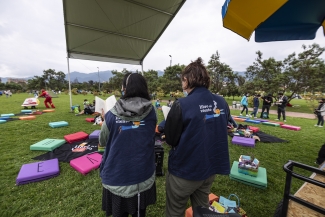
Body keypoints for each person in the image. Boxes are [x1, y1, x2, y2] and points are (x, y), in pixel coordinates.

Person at [164, 57, 231, 217]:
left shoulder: (181, 104)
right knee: (202, 211)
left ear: (186, 80)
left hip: (184, 171)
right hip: (210, 169)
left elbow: (171, 140)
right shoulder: (221, 102)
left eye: (182, 80)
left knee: (174, 211)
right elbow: (223, 125)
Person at [99, 73, 157, 217]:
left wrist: (105, 121)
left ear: (125, 88)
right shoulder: (152, 113)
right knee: (140, 212)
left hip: (117, 177)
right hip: (143, 176)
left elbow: (103, 141)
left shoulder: (111, 115)